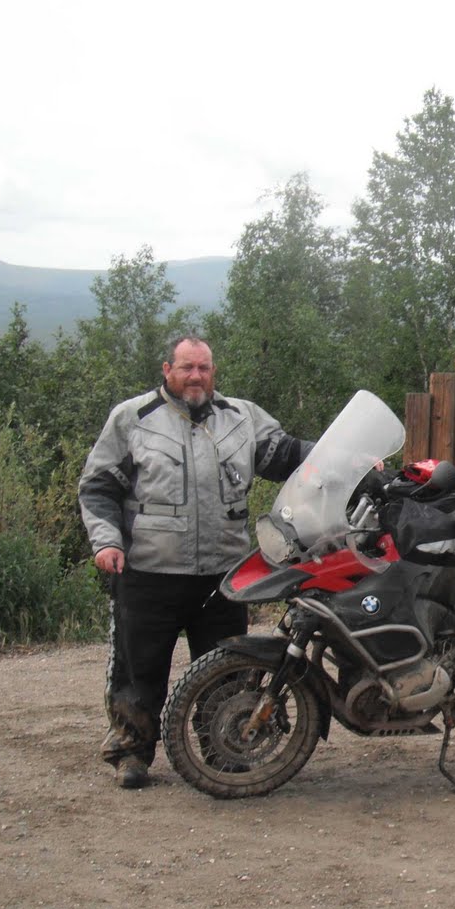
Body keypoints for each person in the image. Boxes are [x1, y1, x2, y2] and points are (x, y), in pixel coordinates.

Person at [79, 335, 312, 788]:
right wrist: (106, 543)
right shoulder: (132, 419)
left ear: (213, 371)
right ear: (167, 369)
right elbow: (98, 487)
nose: (196, 377)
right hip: (149, 572)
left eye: (204, 368)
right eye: (187, 368)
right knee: (138, 669)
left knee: (225, 670)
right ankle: (131, 754)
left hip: (222, 575)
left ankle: (221, 752)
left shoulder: (239, 417)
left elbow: (286, 454)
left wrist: (346, 460)